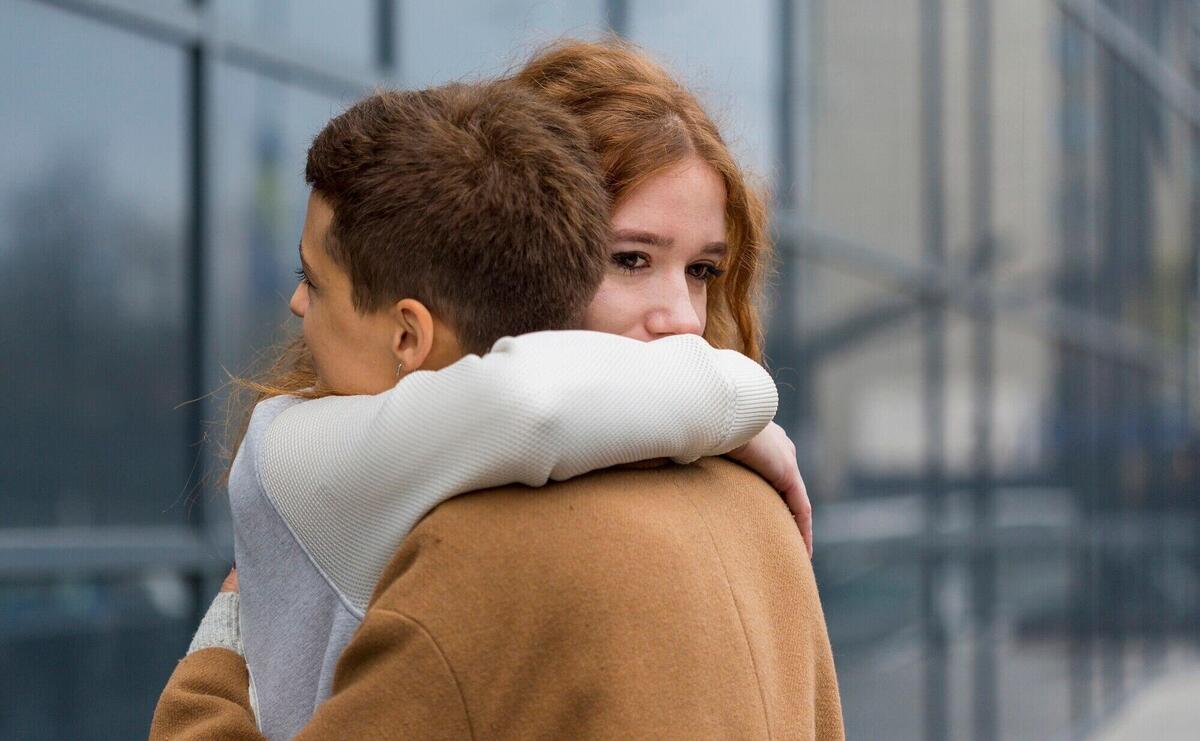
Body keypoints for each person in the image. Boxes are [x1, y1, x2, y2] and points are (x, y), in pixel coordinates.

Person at [152, 39, 841, 739]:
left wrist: (219, 647)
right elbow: (530, 402)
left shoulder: (481, 553)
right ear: (517, 261)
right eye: (629, 260)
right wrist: (736, 407)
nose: (685, 322)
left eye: (702, 270)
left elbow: (530, 403)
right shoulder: (759, 514)